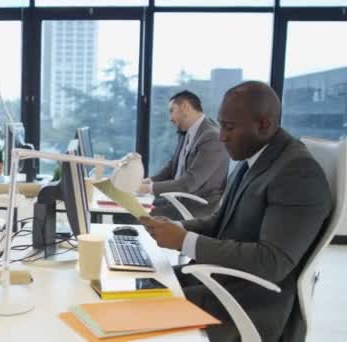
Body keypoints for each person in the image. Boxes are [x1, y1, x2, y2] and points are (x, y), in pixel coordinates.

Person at [140, 81, 332, 342]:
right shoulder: (254, 157)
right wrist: (179, 229)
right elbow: (221, 221)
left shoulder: (298, 172)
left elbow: (271, 261)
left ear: (264, 124)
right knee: (139, 285)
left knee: (139, 308)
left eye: (230, 128)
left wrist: (185, 241)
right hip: (220, 282)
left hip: (248, 304)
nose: (221, 136)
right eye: (221, 125)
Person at [117, 90, 229, 223]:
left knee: (129, 216)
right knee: (126, 209)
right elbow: (172, 168)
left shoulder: (212, 137)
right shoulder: (187, 131)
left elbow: (189, 184)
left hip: (193, 209)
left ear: (186, 107)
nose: (170, 118)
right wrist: (148, 181)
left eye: (172, 111)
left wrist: (147, 188)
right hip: (176, 200)